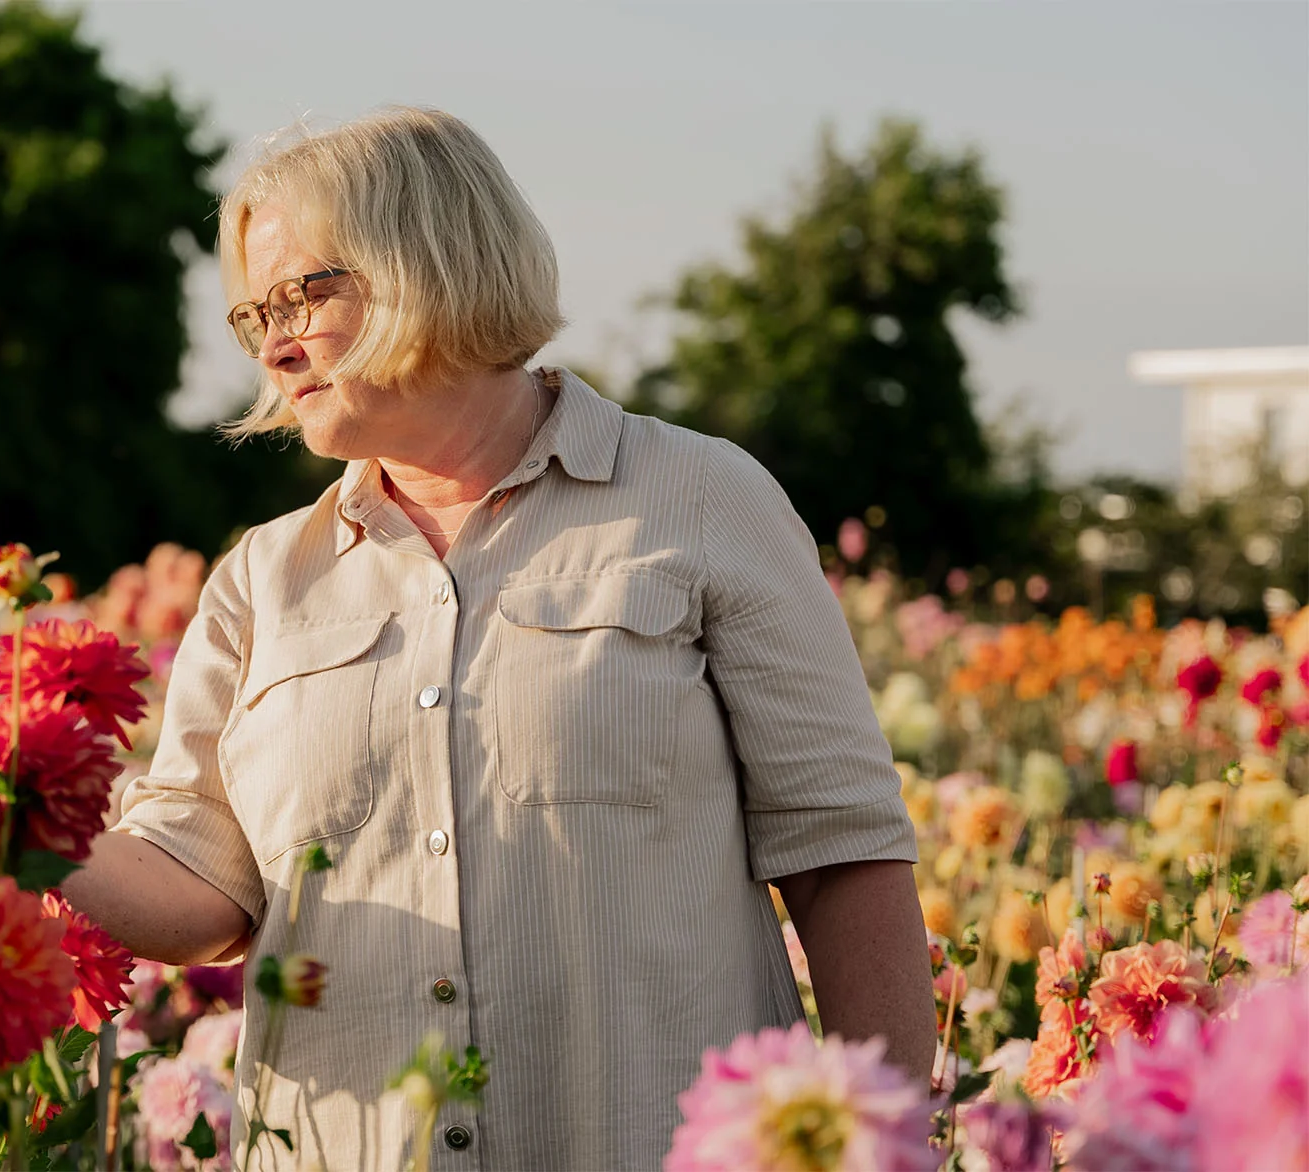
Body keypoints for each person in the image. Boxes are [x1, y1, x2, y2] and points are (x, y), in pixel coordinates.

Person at [50, 107, 936, 1170]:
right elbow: (201, 893)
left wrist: (882, 1146)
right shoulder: (259, 579)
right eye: (252, 316)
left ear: (426, 258)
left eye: (301, 294)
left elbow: (843, 858)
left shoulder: (699, 501)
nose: (274, 343)